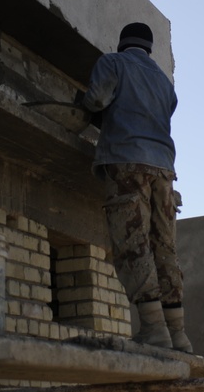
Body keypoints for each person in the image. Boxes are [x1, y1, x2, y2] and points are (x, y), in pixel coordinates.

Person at [79, 22, 192, 352]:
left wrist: (85, 106)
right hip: (165, 170)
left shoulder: (112, 62)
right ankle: (179, 334)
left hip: (127, 161)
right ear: (149, 49)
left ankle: (154, 328)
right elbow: (161, 115)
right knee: (164, 247)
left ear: (122, 42)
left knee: (133, 242)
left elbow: (98, 99)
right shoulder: (163, 82)